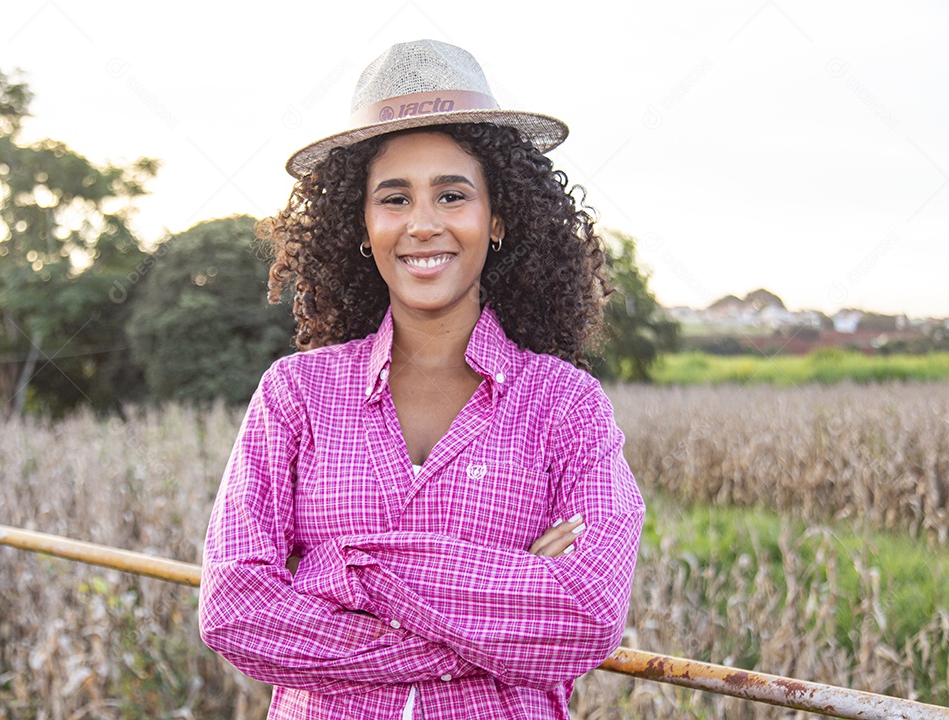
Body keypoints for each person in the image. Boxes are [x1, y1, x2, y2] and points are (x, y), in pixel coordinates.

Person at [199, 39, 644, 720]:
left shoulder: (566, 406)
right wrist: (504, 598)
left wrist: (341, 569)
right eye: (395, 198)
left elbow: (585, 614)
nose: (424, 224)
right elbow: (235, 611)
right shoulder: (297, 394)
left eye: (453, 194)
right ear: (362, 223)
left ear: (496, 218)